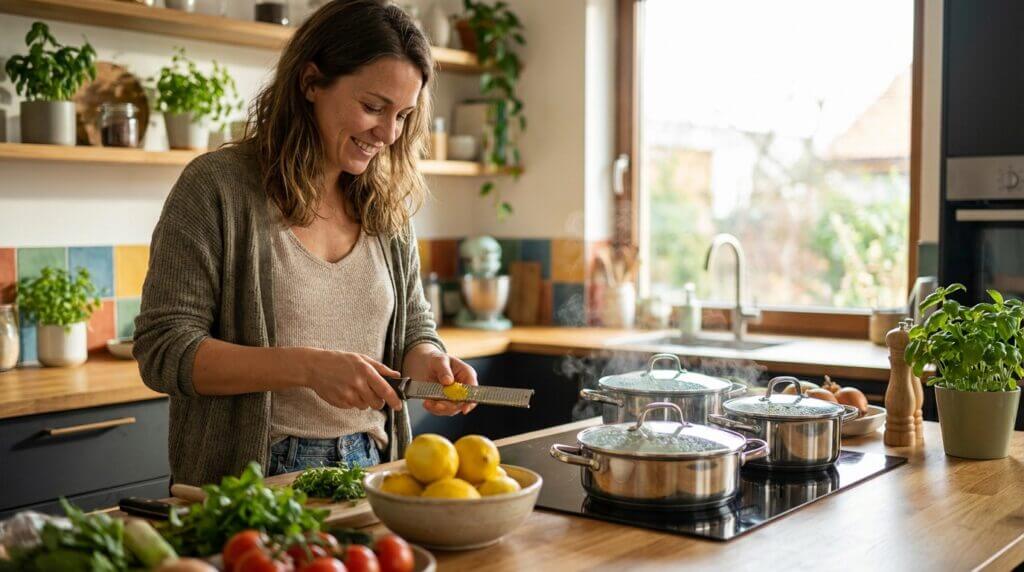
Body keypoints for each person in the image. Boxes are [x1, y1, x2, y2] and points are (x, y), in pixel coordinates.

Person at [133, 0, 477, 486]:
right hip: (253, 479)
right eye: (373, 107)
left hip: (376, 470)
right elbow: (163, 350)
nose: (388, 133)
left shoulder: (385, 205)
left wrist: (427, 359)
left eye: (403, 115)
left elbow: (413, 325)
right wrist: (307, 367)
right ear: (311, 82)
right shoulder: (217, 188)